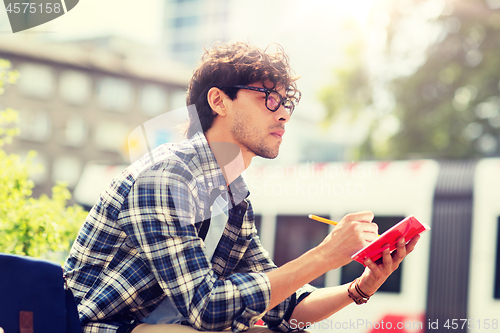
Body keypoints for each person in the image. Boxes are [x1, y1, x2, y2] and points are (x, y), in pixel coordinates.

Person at [64, 41, 420, 333]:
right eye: (267, 97)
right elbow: (207, 307)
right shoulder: (166, 178)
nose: (283, 114)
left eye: (286, 103)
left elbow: (283, 308)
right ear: (218, 101)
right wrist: (326, 255)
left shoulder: (234, 198)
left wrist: (361, 287)